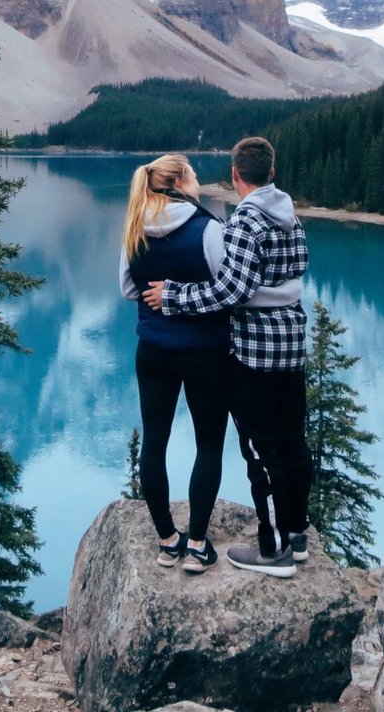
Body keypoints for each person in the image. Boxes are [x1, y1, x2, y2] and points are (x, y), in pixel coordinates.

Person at [144, 136, 311, 579]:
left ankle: (273, 550)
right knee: (293, 440)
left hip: (254, 350)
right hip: (292, 343)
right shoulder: (290, 217)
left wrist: (174, 295)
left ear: (235, 175)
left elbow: (231, 291)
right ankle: (296, 535)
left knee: (260, 448)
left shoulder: (242, 223)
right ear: (271, 173)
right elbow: (297, 271)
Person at [120, 153, 228, 574]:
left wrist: (160, 294)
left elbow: (129, 289)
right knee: (209, 443)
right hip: (205, 352)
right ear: (180, 182)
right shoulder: (209, 229)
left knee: (155, 441)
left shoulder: (134, 227)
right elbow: (226, 287)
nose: (200, 183)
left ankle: (167, 541)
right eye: (196, 176)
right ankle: (198, 545)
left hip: (153, 350)